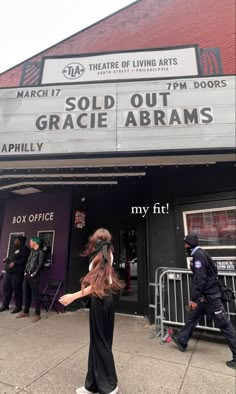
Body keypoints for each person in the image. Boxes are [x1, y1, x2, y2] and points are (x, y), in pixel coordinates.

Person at [59, 228, 123, 394]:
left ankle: (110, 385)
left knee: (101, 343)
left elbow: (97, 285)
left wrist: (73, 296)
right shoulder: (105, 252)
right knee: (98, 342)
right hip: (102, 300)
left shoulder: (102, 254)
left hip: (101, 301)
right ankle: (92, 384)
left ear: (95, 239)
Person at [171, 233, 236, 369]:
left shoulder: (198, 256)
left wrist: (194, 298)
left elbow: (200, 280)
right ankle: (182, 340)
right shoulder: (201, 253)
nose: (184, 246)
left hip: (211, 298)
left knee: (225, 326)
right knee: (192, 317)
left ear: (190, 244)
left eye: (186, 243)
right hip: (205, 297)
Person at [16, 236, 45, 322]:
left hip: (34, 276)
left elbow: (40, 264)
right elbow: (28, 263)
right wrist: (25, 272)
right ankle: (26, 311)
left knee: (36, 295)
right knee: (27, 293)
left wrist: (34, 273)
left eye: (31, 242)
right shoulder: (32, 252)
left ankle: (37, 314)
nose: (30, 243)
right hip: (27, 275)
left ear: (35, 243)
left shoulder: (41, 252)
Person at [0, 236, 30, 313]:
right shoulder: (13, 248)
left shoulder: (25, 249)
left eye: (17, 240)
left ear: (20, 241)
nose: (15, 241)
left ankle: (18, 306)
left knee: (17, 290)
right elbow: (11, 258)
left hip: (17, 274)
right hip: (9, 273)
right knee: (6, 289)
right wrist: (7, 260)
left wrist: (15, 263)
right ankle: (5, 305)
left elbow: (24, 260)